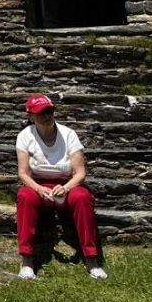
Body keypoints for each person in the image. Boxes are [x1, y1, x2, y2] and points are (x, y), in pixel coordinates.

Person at [15, 94, 107, 280]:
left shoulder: (68, 134)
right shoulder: (25, 136)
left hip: (67, 185)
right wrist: (39, 189)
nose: (47, 116)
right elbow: (23, 173)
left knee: (83, 198)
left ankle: (92, 259)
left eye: (49, 111)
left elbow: (80, 173)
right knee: (25, 197)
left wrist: (65, 188)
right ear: (31, 116)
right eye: (41, 113)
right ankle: (27, 261)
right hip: (39, 185)